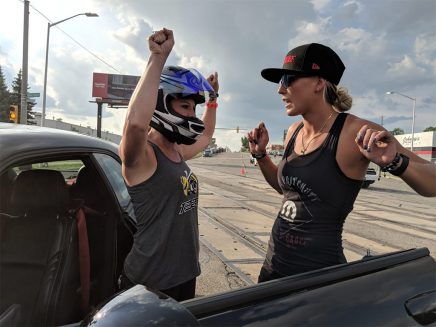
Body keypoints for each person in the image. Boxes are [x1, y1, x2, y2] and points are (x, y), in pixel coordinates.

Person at [248, 42, 436, 283]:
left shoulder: (354, 132)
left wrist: (395, 162)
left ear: (319, 82)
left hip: (320, 278)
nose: (280, 90)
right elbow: (287, 191)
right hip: (273, 266)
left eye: (288, 79)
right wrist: (261, 156)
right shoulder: (294, 131)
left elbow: (432, 183)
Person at [118, 28, 219, 301]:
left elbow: (207, 136)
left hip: (184, 274)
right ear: (162, 103)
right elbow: (136, 124)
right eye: (185, 107)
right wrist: (157, 59)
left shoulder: (176, 151)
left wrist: (212, 102)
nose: (192, 115)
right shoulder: (144, 157)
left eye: (193, 109)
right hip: (151, 283)